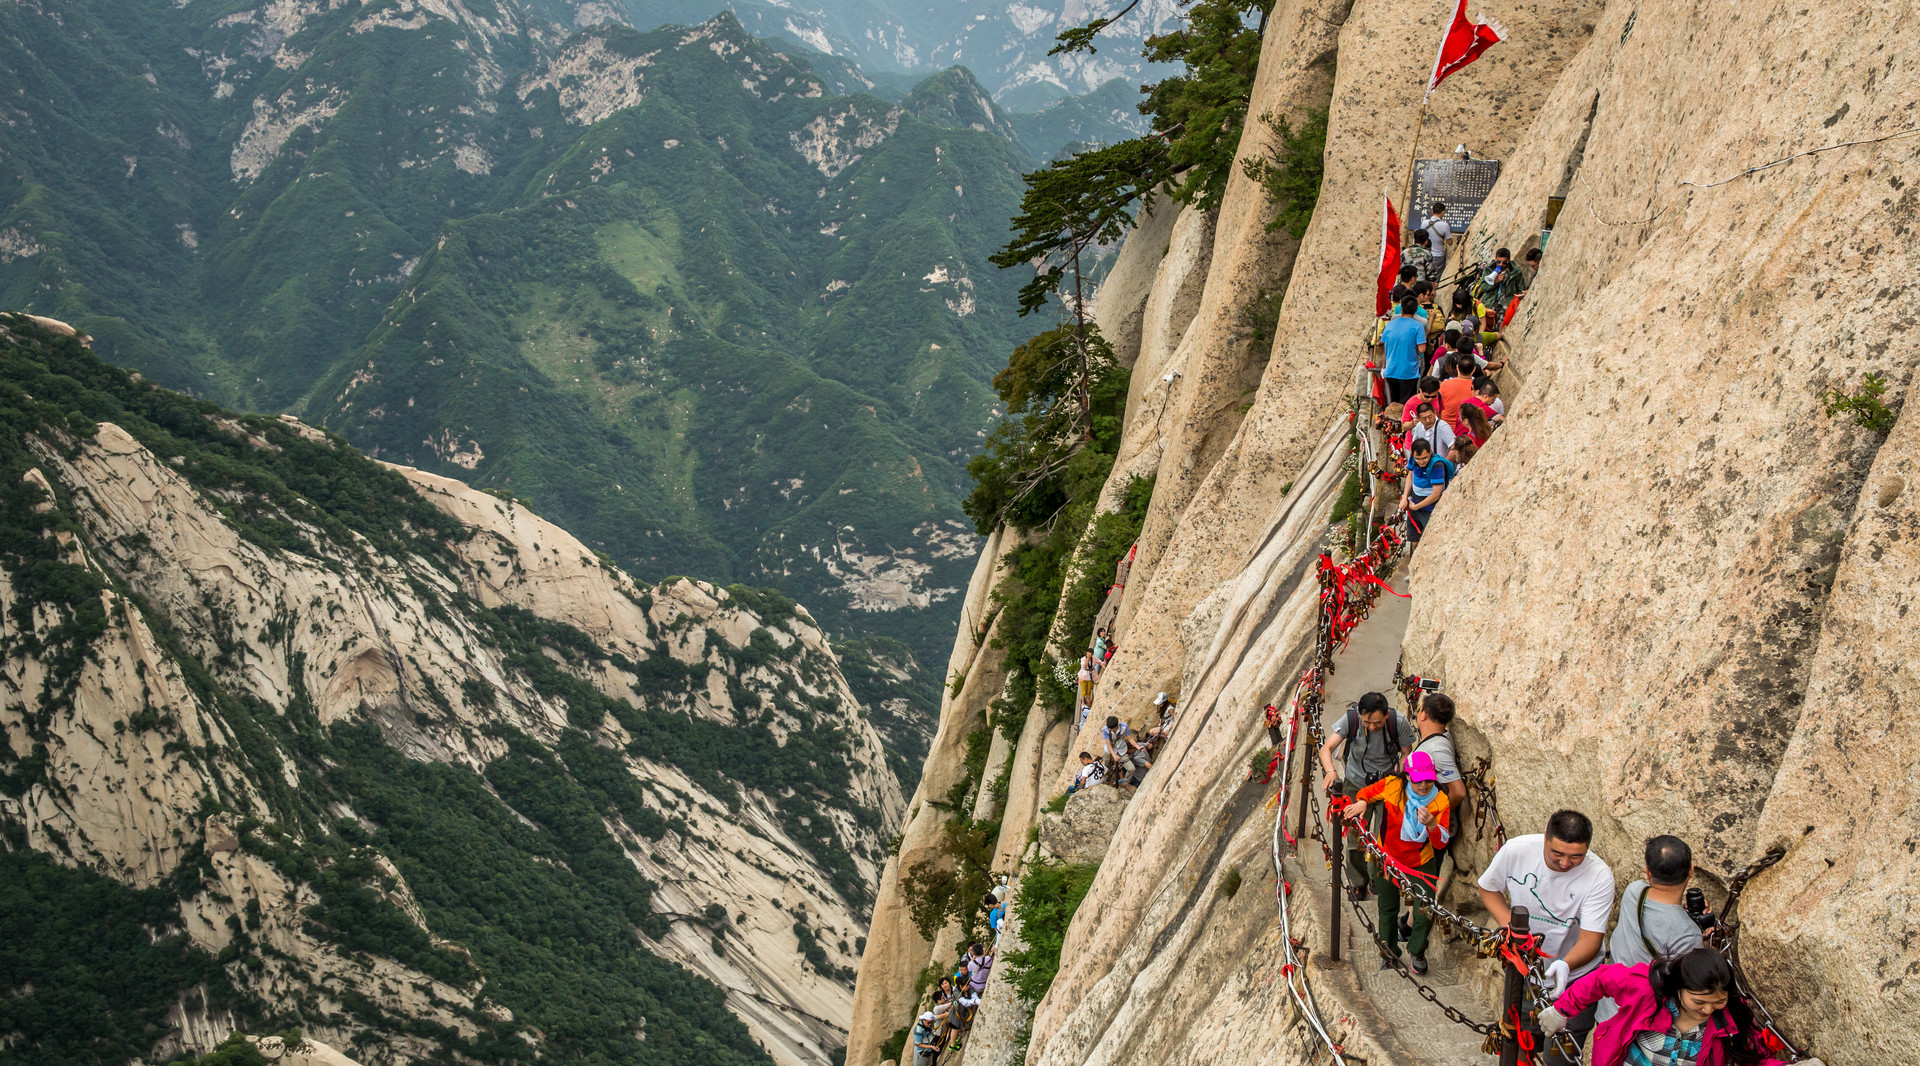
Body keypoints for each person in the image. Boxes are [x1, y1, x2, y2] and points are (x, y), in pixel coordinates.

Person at [1477, 810, 1617, 1066]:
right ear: (1545, 838)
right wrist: (1512, 929)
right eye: (1558, 854)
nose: (1565, 863)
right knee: (1519, 1038)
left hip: (1577, 979)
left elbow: (1591, 939)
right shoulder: (1517, 851)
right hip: (1527, 970)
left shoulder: (1599, 876)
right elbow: (1488, 887)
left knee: (1560, 1055)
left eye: (1576, 856)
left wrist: (1565, 964)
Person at [1542, 949, 1814, 1066]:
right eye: (1699, 1001)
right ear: (1679, 987)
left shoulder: (1729, 1021)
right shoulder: (1646, 990)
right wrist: (1562, 1010)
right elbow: (1601, 979)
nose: (1708, 1010)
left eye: (1717, 1001)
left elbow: (1753, 1058)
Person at [1343, 750, 1452, 973]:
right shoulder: (1393, 786)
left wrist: (1431, 825)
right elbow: (1366, 792)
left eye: (1429, 780)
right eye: (1419, 780)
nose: (1424, 785)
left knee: (1427, 908)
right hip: (1387, 859)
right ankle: (1389, 953)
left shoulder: (1440, 801)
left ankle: (1417, 950)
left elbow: (1442, 842)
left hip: (1421, 863)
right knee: (1387, 907)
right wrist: (1363, 802)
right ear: (1408, 776)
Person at [1317, 691, 1414, 894]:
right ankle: (1358, 881)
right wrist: (1331, 772)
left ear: (1387, 715)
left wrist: (1396, 773)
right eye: (1367, 722)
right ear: (1360, 715)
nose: (1372, 726)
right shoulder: (1352, 719)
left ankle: (1376, 878)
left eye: (1377, 722)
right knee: (1355, 835)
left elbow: (1406, 751)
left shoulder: (1398, 722)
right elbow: (1326, 748)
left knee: (1383, 836)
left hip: (1386, 785)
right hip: (1356, 782)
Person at [1611, 836, 1714, 968]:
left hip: (1611, 981)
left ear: (1648, 872)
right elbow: (1691, 977)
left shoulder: (1634, 891)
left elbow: (1661, 916)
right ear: (1691, 871)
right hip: (1648, 988)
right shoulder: (1689, 935)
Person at [1400, 439, 1455, 546]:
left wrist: (1416, 507)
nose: (1421, 462)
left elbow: (1436, 494)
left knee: (1429, 540)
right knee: (1413, 539)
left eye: (1425, 458)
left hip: (1429, 507)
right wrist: (1405, 497)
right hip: (1415, 501)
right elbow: (1410, 474)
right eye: (1418, 459)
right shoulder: (1413, 459)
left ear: (1430, 452)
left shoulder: (1436, 465)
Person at [1380, 298, 1428, 414]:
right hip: (1409, 372)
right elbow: (1422, 348)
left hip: (1391, 370)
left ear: (1401, 309)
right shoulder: (1418, 326)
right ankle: (1404, 429)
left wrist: (1383, 367)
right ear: (1415, 310)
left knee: (1391, 405)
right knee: (1406, 406)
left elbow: (1385, 348)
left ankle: (1390, 428)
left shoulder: (1391, 324)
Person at [1437, 352, 1477, 426]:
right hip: (1467, 428)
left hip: (1445, 426)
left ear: (1457, 367)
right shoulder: (1477, 388)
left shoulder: (1445, 384)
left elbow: (1437, 406)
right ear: (1474, 369)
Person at [1419, 202, 1452, 279]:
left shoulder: (1424, 223)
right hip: (1438, 256)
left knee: (1424, 277)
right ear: (1443, 212)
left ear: (1432, 211)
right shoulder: (1445, 225)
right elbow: (1449, 242)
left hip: (1425, 254)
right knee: (1436, 279)